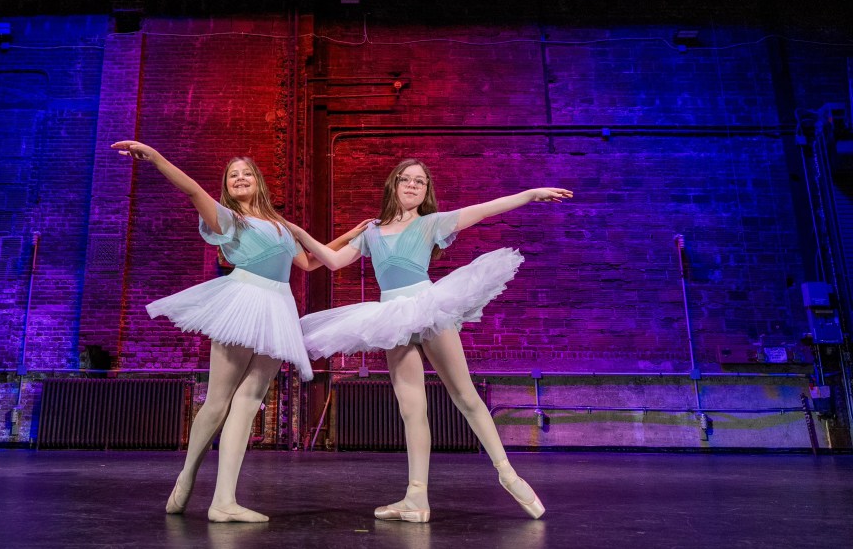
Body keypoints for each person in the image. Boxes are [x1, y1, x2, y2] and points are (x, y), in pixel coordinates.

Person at [288, 158, 572, 523]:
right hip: (392, 317)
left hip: (427, 306)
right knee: (412, 409)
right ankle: (416, 497)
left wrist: (530, 194)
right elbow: (330, 261)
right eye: (405, 179)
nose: (411, 185)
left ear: (426, 191)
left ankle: (508, 474)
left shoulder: (431, 223)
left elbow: (484, 209)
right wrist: (298, 231)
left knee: (465, 395)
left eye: (419, 182)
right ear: (393, 185)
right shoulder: (371, 232)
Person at [112, 141, 340, 523]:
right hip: (243, 301)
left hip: (278, 308)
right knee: (218, 401)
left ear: (259, 182)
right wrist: (156, 157)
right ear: (227, 186)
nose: (240, 178)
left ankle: (223, 501)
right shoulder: (229, 219)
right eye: (233, 175)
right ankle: (188, 473)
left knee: (249, 401)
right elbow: (192, 190)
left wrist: (353, 237)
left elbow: (309, 262)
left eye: (246, 173)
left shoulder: (281, 226)